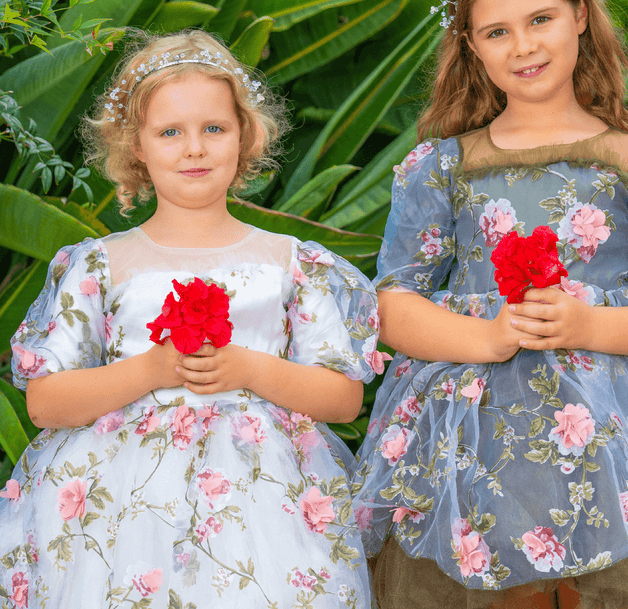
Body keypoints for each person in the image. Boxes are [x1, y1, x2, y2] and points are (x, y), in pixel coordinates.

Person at [351, 0, 628, 609]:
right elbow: (396, 303)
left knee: (610, 583)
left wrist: (585, 323)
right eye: (496, 32)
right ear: (469, 46)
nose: (523, 46)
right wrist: (488, 337)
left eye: (541, 19)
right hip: (473, 435)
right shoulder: (439, 169)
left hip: (616, 432)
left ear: (580, 16)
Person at [0, 30, 380, 609]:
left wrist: (246, 367)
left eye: (214, 129)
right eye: (170, 132)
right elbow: (46, 402)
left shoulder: (290, 263)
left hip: (264, 506)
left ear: (245, 136)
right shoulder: (99, 265)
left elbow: (342, 398)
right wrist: (152, 368)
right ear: (136, 147)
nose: (194, 148)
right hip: (122, 510)